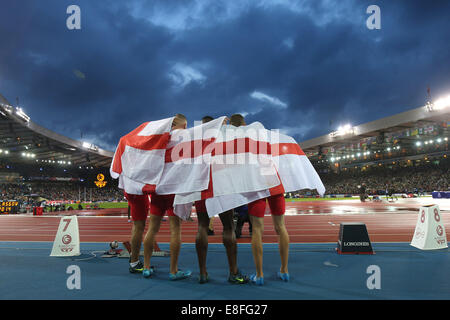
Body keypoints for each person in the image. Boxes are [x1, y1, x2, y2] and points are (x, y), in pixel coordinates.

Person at [230, 113, 290, 286]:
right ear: (245, 122)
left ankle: (260, 274)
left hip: (254, 182)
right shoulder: (259, 130)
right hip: (272, 178)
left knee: (257, 230)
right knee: (281, 227)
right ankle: (284, 270)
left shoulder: (235, 139)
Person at [194, 115, 248, 284]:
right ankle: (233, 272)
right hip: (223, 183)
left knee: (202, 226)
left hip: (202, 184)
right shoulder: (226, 137)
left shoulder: (196, 139)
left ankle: (202, 272)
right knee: (228, 227)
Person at [142, 114, 192, 280]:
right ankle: (173, 271)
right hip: (174, 189)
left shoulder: (161, 138)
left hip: (158, 188)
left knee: (152, 229)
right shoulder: (187, 136)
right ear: (184, 125)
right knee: (175, 231)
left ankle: (147, 267)